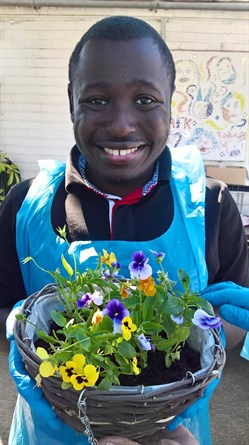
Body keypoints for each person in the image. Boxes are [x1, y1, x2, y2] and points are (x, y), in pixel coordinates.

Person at [0, 15, 248, 445]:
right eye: (97, 100)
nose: (120, 124)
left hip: (173, 433)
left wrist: (169, 384)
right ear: (71, 99)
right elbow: (3, 308)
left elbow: (230, 323)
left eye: (145, 100)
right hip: (52, 431)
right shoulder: (26, 205)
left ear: (171, 100)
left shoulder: (211, 205)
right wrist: (33, 350)